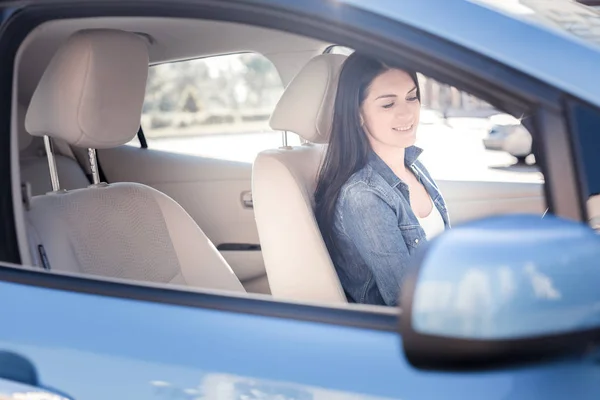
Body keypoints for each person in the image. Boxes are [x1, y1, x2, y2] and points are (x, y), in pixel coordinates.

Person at [315, 52, 451, 307]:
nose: (407, 113)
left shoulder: (414, 165)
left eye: (411, 97)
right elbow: (407, 304)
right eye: (388, 104)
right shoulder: (364, 195)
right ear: (358, 114)